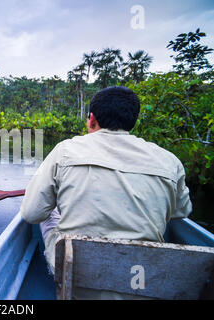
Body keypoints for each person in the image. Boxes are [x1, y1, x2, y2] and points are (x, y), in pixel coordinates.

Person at [19, 86, 192, 299]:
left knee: (48, 214)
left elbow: (31, 214)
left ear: (91, 120)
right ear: (132, 121)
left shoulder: (65, 150)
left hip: (79, 274)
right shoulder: (170, 161)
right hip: (141, 276)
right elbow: (181, 212)